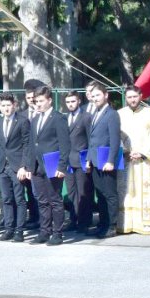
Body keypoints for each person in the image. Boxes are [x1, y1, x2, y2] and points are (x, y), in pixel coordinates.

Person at [28, 86, 71, 245]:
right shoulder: (35, 119)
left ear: (49, 100)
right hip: (37, 166)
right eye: (36, 101)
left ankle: (57, 233)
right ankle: (44, 231)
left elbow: (65, 144)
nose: (38, 104)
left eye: (41, 101)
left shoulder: (58, 118)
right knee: (42, 200)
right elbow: (32, 144)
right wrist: (29, 166)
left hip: (52, 164)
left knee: (55, 200)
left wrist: (62, 166)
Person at [117, 85, 150, 235]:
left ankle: (145, 224)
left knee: (145, 192)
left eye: (135, 96)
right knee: (126, 192)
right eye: (129, 97)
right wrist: (125, 151)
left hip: (144, 161)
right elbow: (117, 136)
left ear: (140, 96)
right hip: (125, 159)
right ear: (126, 98)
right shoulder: (119, 114)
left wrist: (142, 153)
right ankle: (126, 224)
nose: (132, 100)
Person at [0, 92, 32, 242]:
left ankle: (19, 231)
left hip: (17, 167)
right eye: (3, 106)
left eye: (8, 105)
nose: (6, 108)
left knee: (19, 199)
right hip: (2, 167)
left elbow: (26, 145)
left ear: (14, 105)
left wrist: (24, 166)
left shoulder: (23, 121)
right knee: (6, 199)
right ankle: (8, 229)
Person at [84, 81, 121, 238]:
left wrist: (111, 161)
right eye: (93, 96)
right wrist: (88, 159)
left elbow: (114, 140)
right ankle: (103, 224)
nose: (95, 98)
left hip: (106, 162)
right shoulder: (95, 113)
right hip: (95, 161)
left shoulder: (112, 114)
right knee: (100, 194)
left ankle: (112, 226)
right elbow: (92, 140)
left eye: (98, 95)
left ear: (106, 95)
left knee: (110, 194)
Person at [62, 91, 91, 232]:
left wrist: (89, 159)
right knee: (71, 192)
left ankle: (84, 222)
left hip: (81, 159)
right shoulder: (64, 117)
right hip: (68, 161)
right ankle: (73, 219)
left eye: (73, 101)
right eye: (68, 102)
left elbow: (90, 140)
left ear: (79, 101)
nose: (70, 104)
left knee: (82, 192)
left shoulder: (86, 117)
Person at [22, 82, 43, 229]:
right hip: (27, 157)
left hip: (41, 158)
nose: (31, 100)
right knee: (30, 191)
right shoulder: (22, 115)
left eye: (33, 97)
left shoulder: (41, 112)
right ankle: (33, 217)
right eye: (28, 97)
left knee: (40, 192)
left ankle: (44, 219)